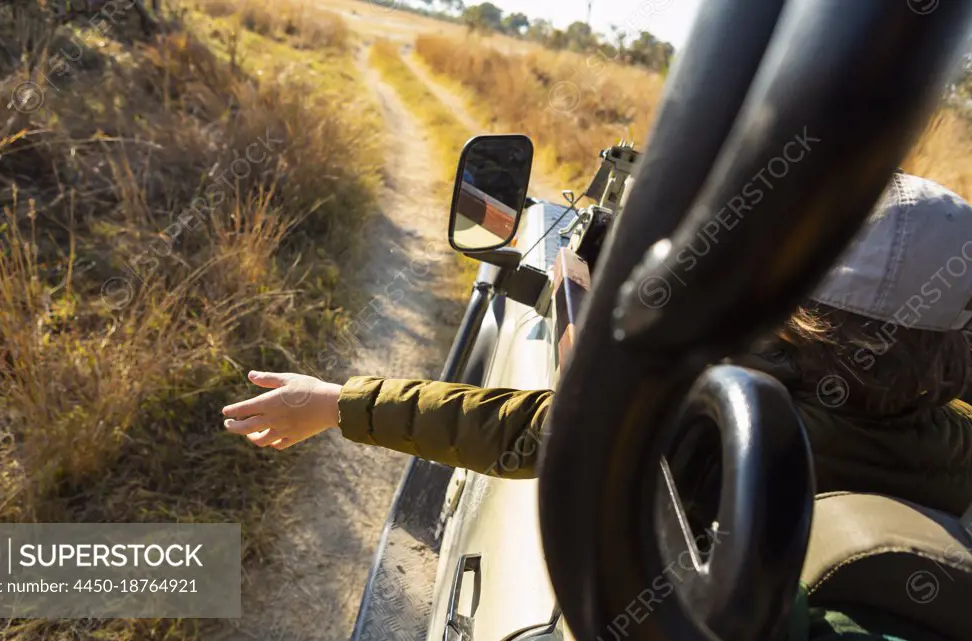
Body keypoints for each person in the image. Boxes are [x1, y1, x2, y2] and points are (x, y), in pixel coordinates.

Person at [221, 172, 972, 517]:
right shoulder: (952, 449)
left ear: (800, 312)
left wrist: (339, 403)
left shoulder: (719, 419)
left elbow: (529, 428)